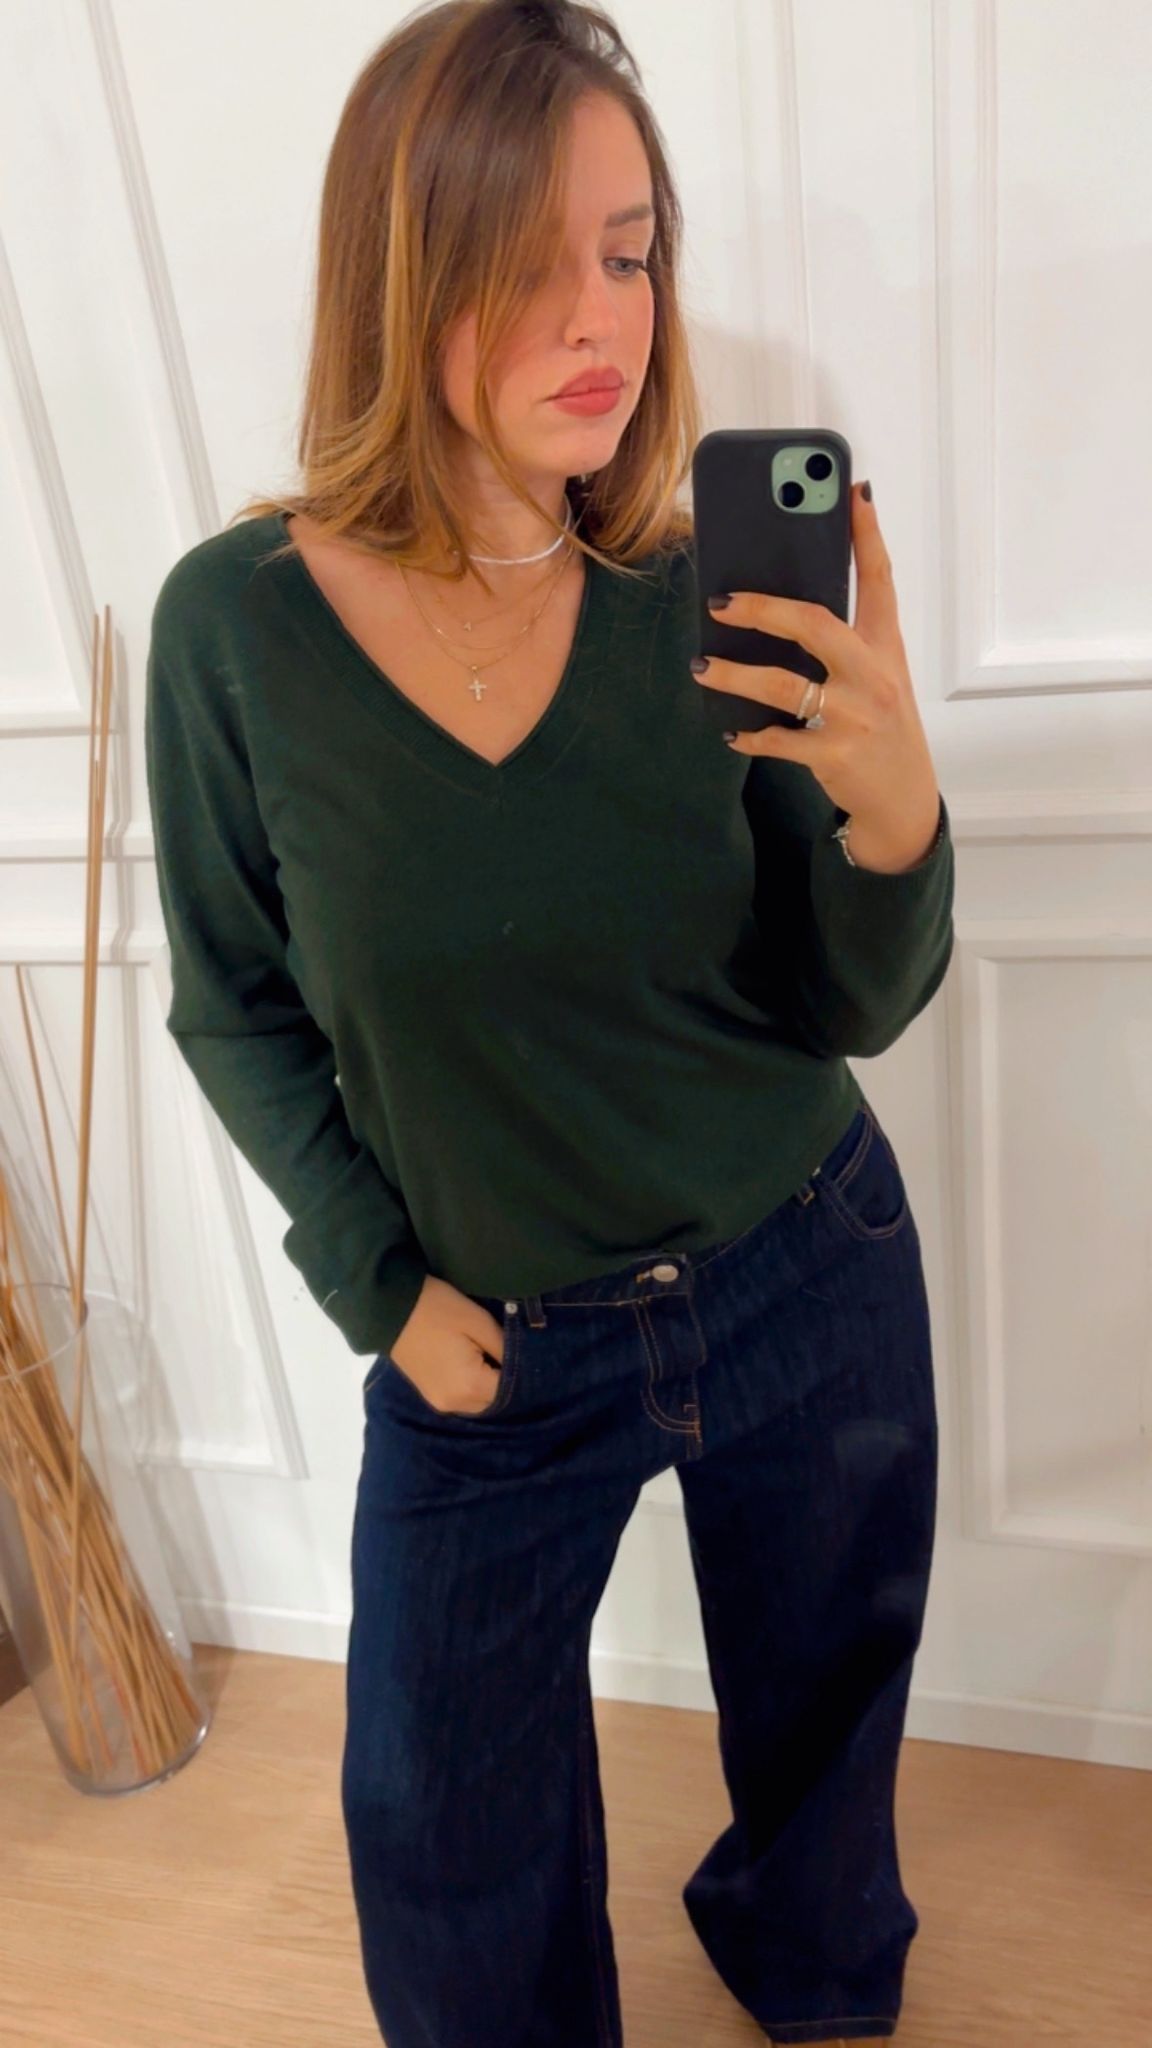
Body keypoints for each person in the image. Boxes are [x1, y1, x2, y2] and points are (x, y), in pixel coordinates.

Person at [143, 3, 954, 2043]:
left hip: (806, 1264)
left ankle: (814, 1972)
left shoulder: (700, 595)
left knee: (829, 1725)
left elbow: (846, 1000)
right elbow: (234, 1005)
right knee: (444, 1828)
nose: (604, 317)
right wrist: (379, 1284)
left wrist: (895, 817)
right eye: (529, 260)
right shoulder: (237, 630)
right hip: (496, 1354)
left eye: (631, 249)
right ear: (400, 271)